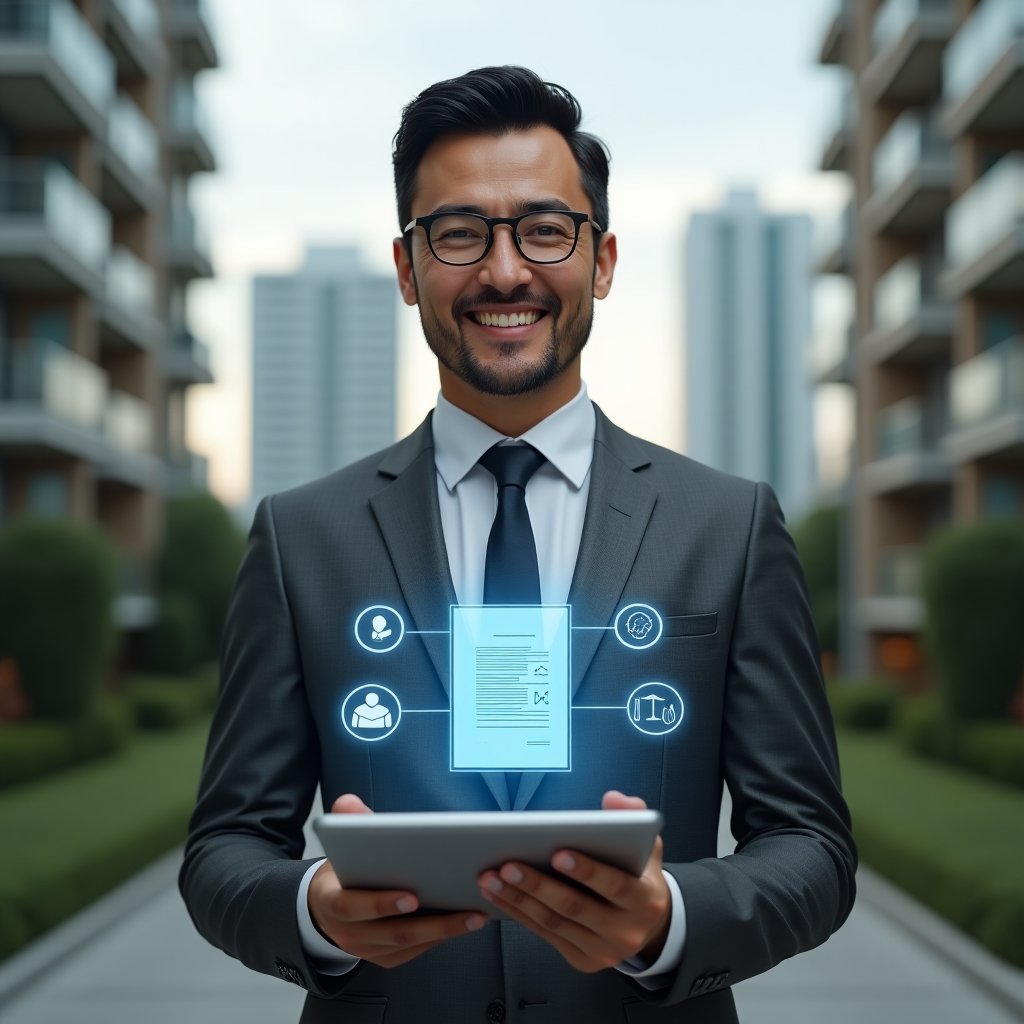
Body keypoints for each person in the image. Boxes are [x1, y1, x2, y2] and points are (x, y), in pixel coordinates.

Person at [180, 65, 856, 1023]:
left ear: (604, 261)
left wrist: (668, 919)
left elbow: (815, 850)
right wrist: (317, 913)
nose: (505, 271)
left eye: (544, 229)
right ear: (409, 269)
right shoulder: (303, 539)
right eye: (460, 233)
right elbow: (221, 855)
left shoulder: (729, 526)